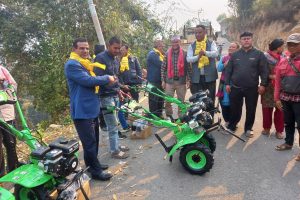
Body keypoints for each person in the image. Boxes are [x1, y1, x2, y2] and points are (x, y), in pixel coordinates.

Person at [64, 38, 114, 181]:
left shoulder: (85, 64)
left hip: (91, 108)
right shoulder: (72, 65)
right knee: (89, 142)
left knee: (94, 140)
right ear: (74, 49)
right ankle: (96, 171)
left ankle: (94, 164)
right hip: (82, 110)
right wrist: (107, 77)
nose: (85, 51)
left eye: (87, 48)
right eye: (81, 48)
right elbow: (88, 81)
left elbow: (93, 81)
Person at [224, 32, 269, 138]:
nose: (246, 40)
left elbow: (264, 71)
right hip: (235, 87)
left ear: (251, 40)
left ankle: (248, 128)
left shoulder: (258, 54)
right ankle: (232, 126)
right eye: (244, 39)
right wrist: (227, 84)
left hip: (252, 88)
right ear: (241, 41)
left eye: (248, 38)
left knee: (251, 109)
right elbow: (229, 71)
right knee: (235, 108)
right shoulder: (235, 55)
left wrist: (263, 84)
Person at [94, 36, 129, 159]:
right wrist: (109, 84)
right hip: (105, 97)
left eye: (119, 48)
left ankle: (117, 146)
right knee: (112, 125)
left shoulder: (115, 59)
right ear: (109, 46)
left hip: (114, 95)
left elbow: (116, 77)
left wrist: (119, 90)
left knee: (116, 122)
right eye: (115, 48)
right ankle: (114, 151)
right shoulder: (100, 58)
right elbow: (96, 78)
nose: (117, 50)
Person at [274, 33, 300, 160]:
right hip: (285, 98)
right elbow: (278, 82)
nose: (292, 47)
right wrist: (277, 98)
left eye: (295, 44)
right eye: (290, 44)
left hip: (299, 99)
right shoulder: (283, 61)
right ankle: (288, 143)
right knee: (288, 122)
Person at [186, 24, 218, 104]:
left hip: (210, 78)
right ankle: (199, 116)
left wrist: (205, 53)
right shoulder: (192, 45)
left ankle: (210, 116)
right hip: (197, 79)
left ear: (205, 32)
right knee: (198, 101)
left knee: (210, 100)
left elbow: (215, 53)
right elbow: (188, 59)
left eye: (200, 32)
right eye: (196, 33)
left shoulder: (211, 43)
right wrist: (198, 57)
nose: (197, 34)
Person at [161, 35, 191, 119]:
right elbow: (163, 68)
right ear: (171, 43)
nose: (175, 44)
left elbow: (188, 68)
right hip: (169, 82)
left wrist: (189, 80)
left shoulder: (185, 53)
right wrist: (163, 80)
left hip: (181, 82)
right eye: (173, 42)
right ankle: (169, 116)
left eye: (176, 42)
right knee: (168, 101)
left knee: (181, 102)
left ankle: (181, 118)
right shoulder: (167, 53)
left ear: (179, 42)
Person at [261, 39, 285, 139]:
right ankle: (266, 128)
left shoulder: (284, 58)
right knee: (267, 109)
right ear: (277, 47)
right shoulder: (265, 57)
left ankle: (279, 130)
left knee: (280, 109)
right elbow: (262, 72)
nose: (283, 48)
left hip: (281, 87)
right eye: (282, 46)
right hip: (268, 87)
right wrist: (272, 77)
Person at [0, 65, 18, 177]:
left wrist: (5, 85)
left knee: (11, 144)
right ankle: (1, 176)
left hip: (7, 114)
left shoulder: (2, 69)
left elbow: (14, 86)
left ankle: (13, 170)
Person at [216, 42, 240, 127]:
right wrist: (226, 63)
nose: (230, 48)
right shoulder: (224, 58)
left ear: (237, 49)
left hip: (235, 84)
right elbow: (219, 68)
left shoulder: (240, 58)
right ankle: (227, 120)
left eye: (233, 47)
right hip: (224, 83)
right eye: (230, 47)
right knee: (224, 103)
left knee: (234, 104)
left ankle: (234, 122)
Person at [146, 40, 165, 118]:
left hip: (159, 80)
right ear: (157, 46)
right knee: (153, 99)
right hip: (153, 81)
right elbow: (162, 64)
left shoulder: (159, 54)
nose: (163, 47)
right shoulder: (152, 54)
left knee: (161, 98)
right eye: (161, 46)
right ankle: (153, 116)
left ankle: (159, 114)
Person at [93, 44, 108, 131]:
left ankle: (103, 123)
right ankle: (103, 124)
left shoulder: (97, 58)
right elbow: (99, 75)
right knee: (101, 108)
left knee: (101, 107)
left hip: (100, 86)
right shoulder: (98, 59)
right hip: (99, 87)